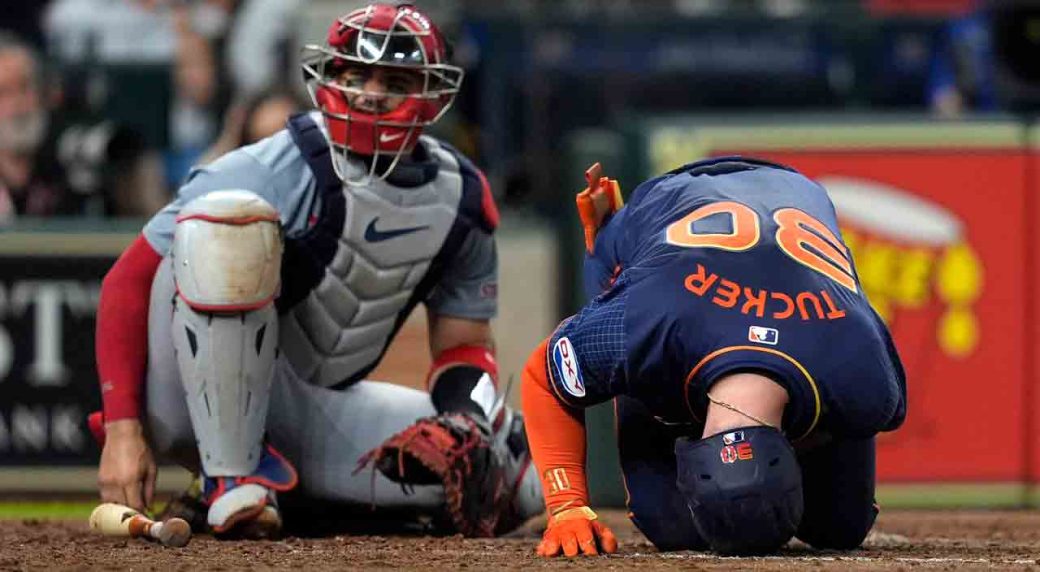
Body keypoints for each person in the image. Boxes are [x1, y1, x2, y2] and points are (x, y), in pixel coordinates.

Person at [92, 3, 542, 539]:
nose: (370, 94)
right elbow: (127, 281)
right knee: (222, 221)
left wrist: (465, 421)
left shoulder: (461, 197)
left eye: (394, 80)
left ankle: (304, 500)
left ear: (433, 94)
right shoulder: (270, 166)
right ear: (328, 77)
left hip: (308, 402)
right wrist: (123, 433)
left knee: (512, 463)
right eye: (355, 75)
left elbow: (463, 346)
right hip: (185, 396)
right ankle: (230, 477)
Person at [521, 158, 906, 556]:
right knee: (674, 526)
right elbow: (542, 377)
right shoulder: (643, 323)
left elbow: (543, 377)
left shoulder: (865, 375)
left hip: (779, 200)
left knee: (839, 525)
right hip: (664, 219)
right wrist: (567, 507)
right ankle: (652, 393)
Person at [0, 32, 165, 221]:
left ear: (43, 93)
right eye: (3, 93)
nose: (17, 106)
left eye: (24, 88)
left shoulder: (75, 146)